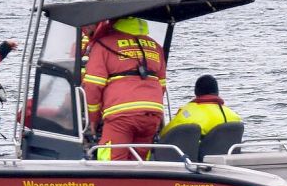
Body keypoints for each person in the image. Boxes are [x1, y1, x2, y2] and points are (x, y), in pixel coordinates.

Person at [83, 16, 166, 161]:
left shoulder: (103, 45)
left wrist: (93, 118)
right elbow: (162, 84)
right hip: (152, 113)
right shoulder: (155, 46)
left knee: (111, 160)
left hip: (121, 114)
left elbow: (93, 85)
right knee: (139, 162)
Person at [161, 75, 242, 137]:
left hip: (196, 157)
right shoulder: (235, 117)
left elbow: (164, 134)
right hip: (226, 155)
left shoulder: (187, 114)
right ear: (217, 92)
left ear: (196, 92)